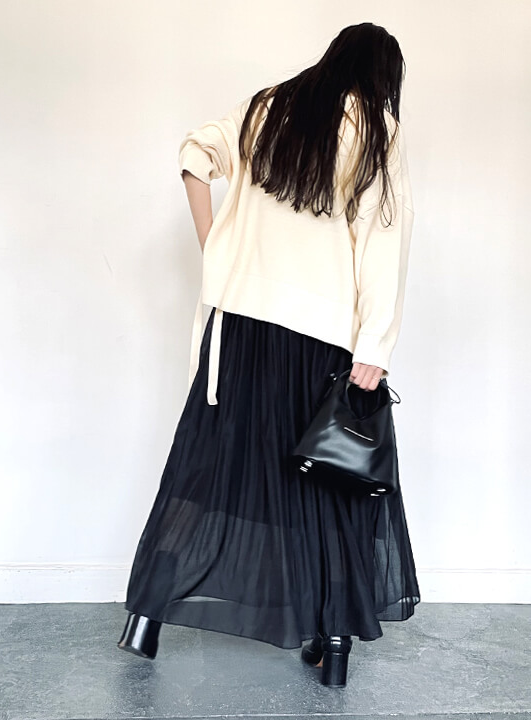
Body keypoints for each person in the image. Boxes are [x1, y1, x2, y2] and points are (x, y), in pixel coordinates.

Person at [116, 22, 420, 689]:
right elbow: (382, 243)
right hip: (320, 334)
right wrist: (375, 345)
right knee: (327, 484)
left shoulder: (267, 106)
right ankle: (332, 646)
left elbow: (195, 154)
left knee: (207, 465)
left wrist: (214, 251)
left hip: (242, 322)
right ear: (382, 77)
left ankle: (145, 619)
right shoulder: (377, 130)